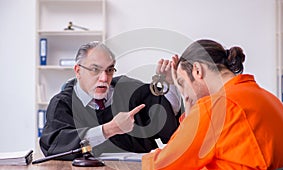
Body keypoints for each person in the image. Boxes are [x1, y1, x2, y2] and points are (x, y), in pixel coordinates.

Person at [142, 39, 283, 170]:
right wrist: (189, 103)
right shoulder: (269, 99)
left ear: (197, 70)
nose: (185, 92)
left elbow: (160, 169)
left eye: (182, 83)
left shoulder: (216, 107)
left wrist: (145, 159)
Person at [39, 41, 181, 160]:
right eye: (95, 70)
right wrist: (109, 129)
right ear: (78, 71)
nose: (104, 78)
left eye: (110, 70)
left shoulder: (130, 90)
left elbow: (165, 121)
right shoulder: (62, 104)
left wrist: (171, 83)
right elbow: (54, 146)